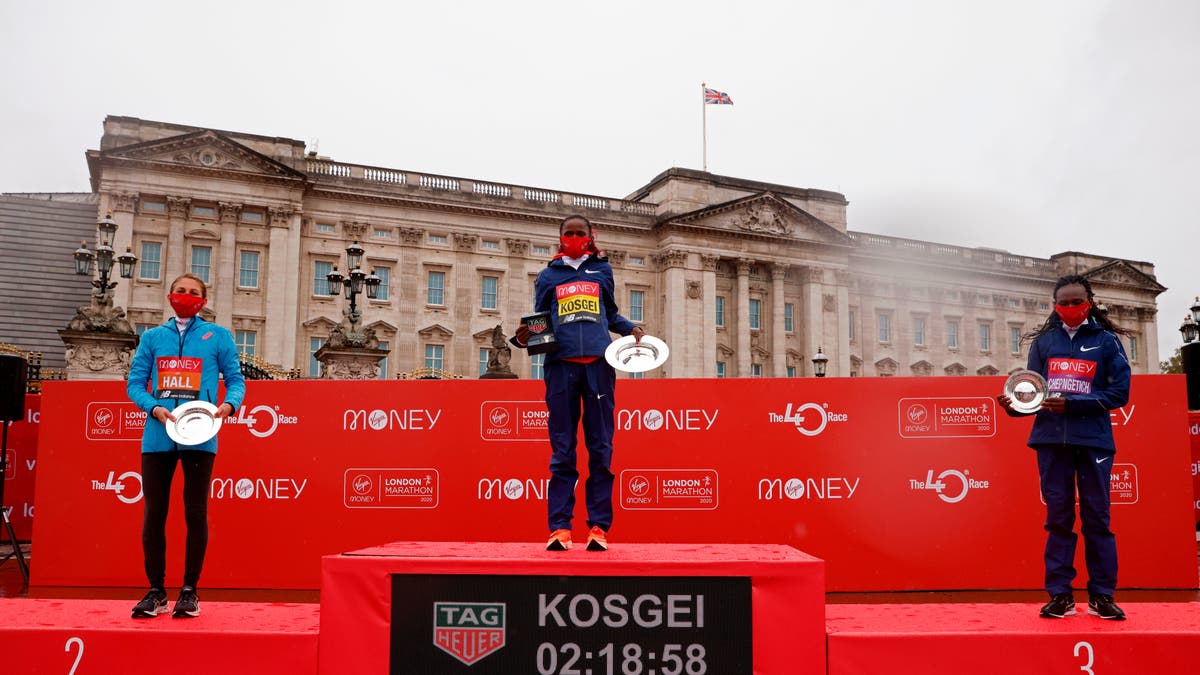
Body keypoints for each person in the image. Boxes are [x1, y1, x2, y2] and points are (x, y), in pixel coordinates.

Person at [997, 274, 1132, 621]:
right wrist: (1015, 405)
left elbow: (1120, 393)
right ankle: (1061, 596)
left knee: (1097, 519)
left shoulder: (1106, 341)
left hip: (1094, 441)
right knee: (1058, 519)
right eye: (1064, 303)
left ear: (1090, 302)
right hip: (1051, 440)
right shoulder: (1044, 342)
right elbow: (1033, 393)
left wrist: (1074, 404)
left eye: (1076, 302)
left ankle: (1102, 595)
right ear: (1055, 305)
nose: (1070, 308)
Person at [514, 215, 643, 552]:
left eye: (579, 233)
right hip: (560, 367)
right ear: (560, 238)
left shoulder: (603, 271)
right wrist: (523, 337)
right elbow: (539, 320)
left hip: (600, 366)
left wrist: (632, 329)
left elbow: (610, 314)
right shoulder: (548, 275)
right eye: (568, 234)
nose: (574, 238)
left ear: (589, 236)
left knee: (601, 448)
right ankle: (559, 528)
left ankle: (599, 528)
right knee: (562, 451)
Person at [126, 273, 245, 618]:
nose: (186, 296)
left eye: (194, 293)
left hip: (200, 433)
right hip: (158, 434)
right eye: (181, 291)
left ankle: (190, 591)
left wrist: (229, 405)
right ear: (170, 296)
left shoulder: (218, 336)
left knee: (195, 512)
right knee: (154, 513)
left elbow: (236, 380)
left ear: (203, 301)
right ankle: (156, 591)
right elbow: (135, 384)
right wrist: (154, 408)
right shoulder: (152, 338)